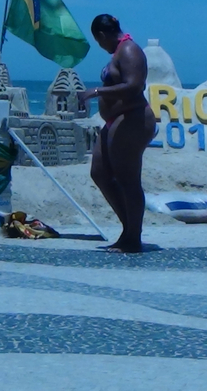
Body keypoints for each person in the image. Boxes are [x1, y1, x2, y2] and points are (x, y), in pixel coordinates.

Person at [78, 15, 156, 253]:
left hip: (133, 118)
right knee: (100, 173)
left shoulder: (130, 50)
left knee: (128, 179)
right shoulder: (118, 53)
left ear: (102, 36)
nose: (101, 46)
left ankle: (134, 237)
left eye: (99, 41)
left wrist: (96, 91)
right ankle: (128, 229)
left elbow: (135, 85)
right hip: (114, 121)